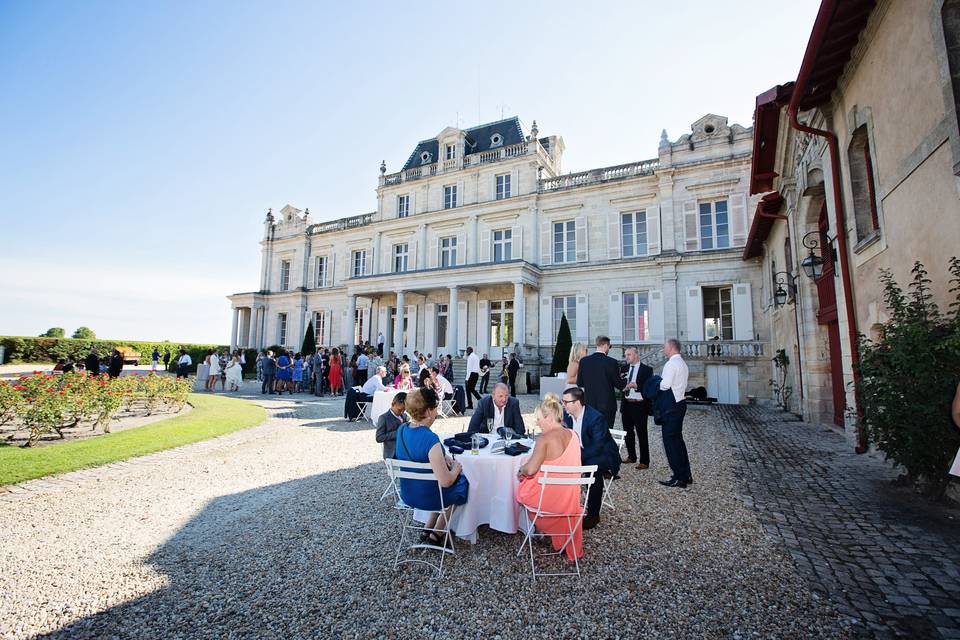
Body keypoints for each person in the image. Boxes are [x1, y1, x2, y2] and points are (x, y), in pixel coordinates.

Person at [394, 388, 468, 546]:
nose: (437, 411)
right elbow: (446, 481)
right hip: (429, 498)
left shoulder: (401, 430)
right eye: (436, 407)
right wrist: (456, 468)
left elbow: (416, 455)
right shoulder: (430, 439)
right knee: (461, 484)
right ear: (428, 411)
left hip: (408, 495)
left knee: (438, 485)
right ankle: (438, 532)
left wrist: (442, 458)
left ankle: (428, 527)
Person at [517, 394, 586, 561]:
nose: (537, 423)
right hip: (570, 500)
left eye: (539, 419)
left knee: (521, 491)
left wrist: (521, 470)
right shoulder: (573, 435)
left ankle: (538, 530)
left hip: (548, 501)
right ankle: (561, 536)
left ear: (548, 418)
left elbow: (531, 469)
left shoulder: (544, 439)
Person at [561, 386, 620, 529]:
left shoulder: (596, 418)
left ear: (577, 403)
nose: (563, 405)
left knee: (592, 470)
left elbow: (597, 447)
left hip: (603, 454)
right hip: (582, 450)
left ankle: (594, 515)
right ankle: (564, 506)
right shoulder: (566, 414)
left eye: (565, 402)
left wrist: (575, 459)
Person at [657, 339, 692, 488]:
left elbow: (665, 385)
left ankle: (679, 476)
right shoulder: (682, 363)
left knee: (670, 442)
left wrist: (655, 382)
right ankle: (686, 473)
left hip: (671, 406)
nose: (663, 349)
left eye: (665, 347)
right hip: (680, 403)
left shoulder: (671, 364)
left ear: (671, 348)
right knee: (678, 441)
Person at [576, 336, 625, 428]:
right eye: (609, 347)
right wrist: (625, 380)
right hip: (607, 405)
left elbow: (580, 383)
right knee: (606, 433)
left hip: (589, 404)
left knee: (591, 432)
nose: (609, 349)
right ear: (605, 345)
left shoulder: (584, 361)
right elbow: (619, 384)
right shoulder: (611, 362)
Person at [620, 346, 654, 468]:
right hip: (627, 404)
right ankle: (631, 456)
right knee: (628, 432)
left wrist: (637, 385)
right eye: (625, 355)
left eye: (629, 354)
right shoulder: (624, 368)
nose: (626, 357)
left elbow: (649, 387)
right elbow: (620, 383)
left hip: (639, 405)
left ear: (636, 355)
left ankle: (644, 461)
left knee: (642, 433)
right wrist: (623, 387)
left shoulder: (647, 370)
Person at [375, 391, 408, 459]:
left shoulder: (404, 416)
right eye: (400, 410)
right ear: (395, 404)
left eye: (404, 410)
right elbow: (379, 438)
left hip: (405, 451)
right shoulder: (384, 418)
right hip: (392, 454)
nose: (402, 412)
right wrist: (398, 433)